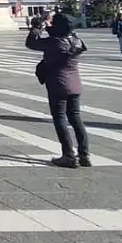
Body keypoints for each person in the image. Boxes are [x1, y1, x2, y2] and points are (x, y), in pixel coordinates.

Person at [26, 13, 91, 168]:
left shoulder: (54, 43)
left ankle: (69, 155)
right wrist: (51, 28)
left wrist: (37, 27)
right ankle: (84, 155)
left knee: (60, 119)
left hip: (58, 84)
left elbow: (31, 43)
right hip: (75, 84)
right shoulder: (76, 40)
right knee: (76, 119)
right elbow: (62, 36)